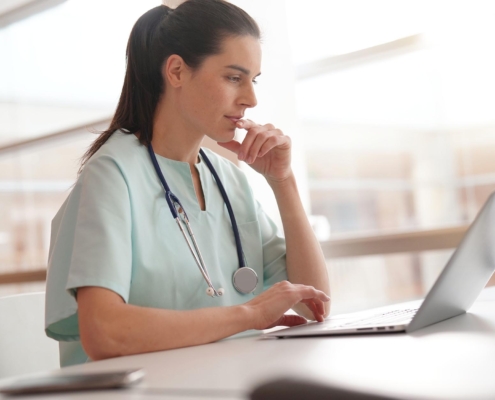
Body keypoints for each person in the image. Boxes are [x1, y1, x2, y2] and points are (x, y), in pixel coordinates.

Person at [45, 0, 330, 367]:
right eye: (233, 77)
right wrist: (249, 315)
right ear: (177, 71)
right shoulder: (113, 172)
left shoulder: (229, 180)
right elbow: (105, 333)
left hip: (227, 381)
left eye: (253, 80)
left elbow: (314, 304)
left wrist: (283, 181)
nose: (251, 99)